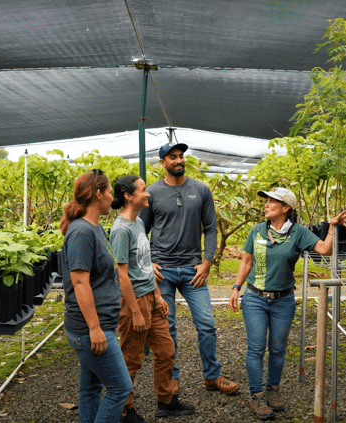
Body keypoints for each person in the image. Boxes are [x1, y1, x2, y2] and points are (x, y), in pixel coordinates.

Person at [228, 186, 346, 420]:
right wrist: (236, 287)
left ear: (286, 208)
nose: (266, 205)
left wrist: (332, 227)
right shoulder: (256, 231)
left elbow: (324, 249)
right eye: (265, 201)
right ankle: (256, 396)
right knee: (256, 348)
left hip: (283, 301)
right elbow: (247, 260)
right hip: (255, 298)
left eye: (272, 202)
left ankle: (272, 389)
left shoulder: (298, 233)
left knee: (277, 348)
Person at [138, 142, 239, 396]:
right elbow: (140, 231)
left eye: (181, 156)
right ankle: (172, 377)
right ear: (162, 162)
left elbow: (211, 228)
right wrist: (148, 262)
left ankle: (212, 376)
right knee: (167, 326)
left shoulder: (201, 190)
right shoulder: (152, 193)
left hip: (193, 271)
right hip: (163, 271)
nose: (179, 160)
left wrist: (206, 263)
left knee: (206, 324)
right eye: (173, 157)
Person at [110, 175, 196, 422]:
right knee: (131, 359)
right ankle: (125, 410)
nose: (148, 194)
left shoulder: (137, 222)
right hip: (133, 302)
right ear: (129, 196)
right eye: (143, 190)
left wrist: (157, 295)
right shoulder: (121, 229)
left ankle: (166, 401)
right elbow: (123, 275)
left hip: (150, 296)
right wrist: (136, 311)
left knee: (166, 350)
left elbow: (145, 265)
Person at [60, 169, 132, 423]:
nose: (113, 198)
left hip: (99, 324)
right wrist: (95, 328)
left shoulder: (95, 227)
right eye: (110, 192)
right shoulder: (82, 232)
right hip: (89, 328)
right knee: (120, 388)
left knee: (91, 388)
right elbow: (80, 282)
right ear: (98, 193)